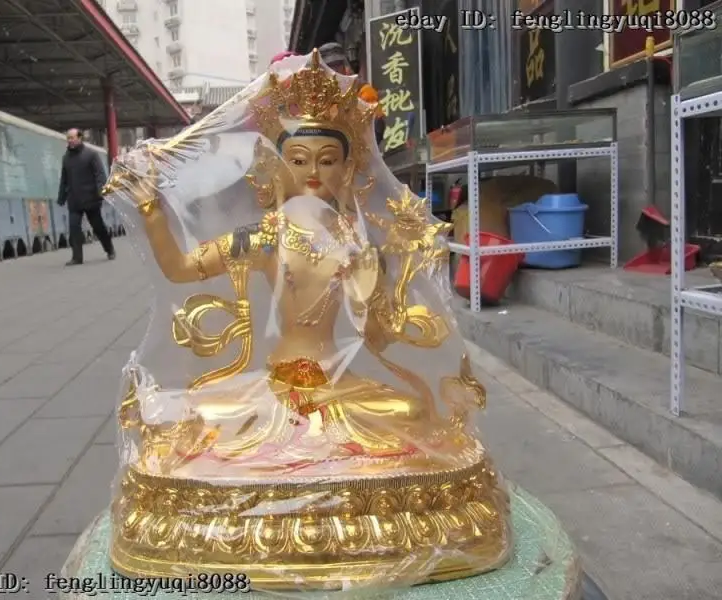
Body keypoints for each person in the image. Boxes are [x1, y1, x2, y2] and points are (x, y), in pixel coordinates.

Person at [96, 49, 513, 592]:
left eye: (327, 160)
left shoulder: (354, 241)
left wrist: (394, 269)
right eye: (299, 159)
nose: (313, 173)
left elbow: (378, 335)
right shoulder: (266, 234)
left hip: (342, 390)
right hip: (277, 385)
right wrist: (152, 210)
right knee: (201, 413)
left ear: (348, 167)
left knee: (410, 407)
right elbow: (179, 268)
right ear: (279, 165)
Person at [57, 128, 115, 266]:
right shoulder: (66, 158)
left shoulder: (91, 155)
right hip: (74, 200)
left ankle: (109, 249)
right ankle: (77, 257)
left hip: (91, 198)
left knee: (98, 227)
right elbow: (64, 179)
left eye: (72, 138)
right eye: (68, 138)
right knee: (74, 228)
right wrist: (61, 197)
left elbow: (100, 174)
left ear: (79, 138)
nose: (70, 141)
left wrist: (101, 191)